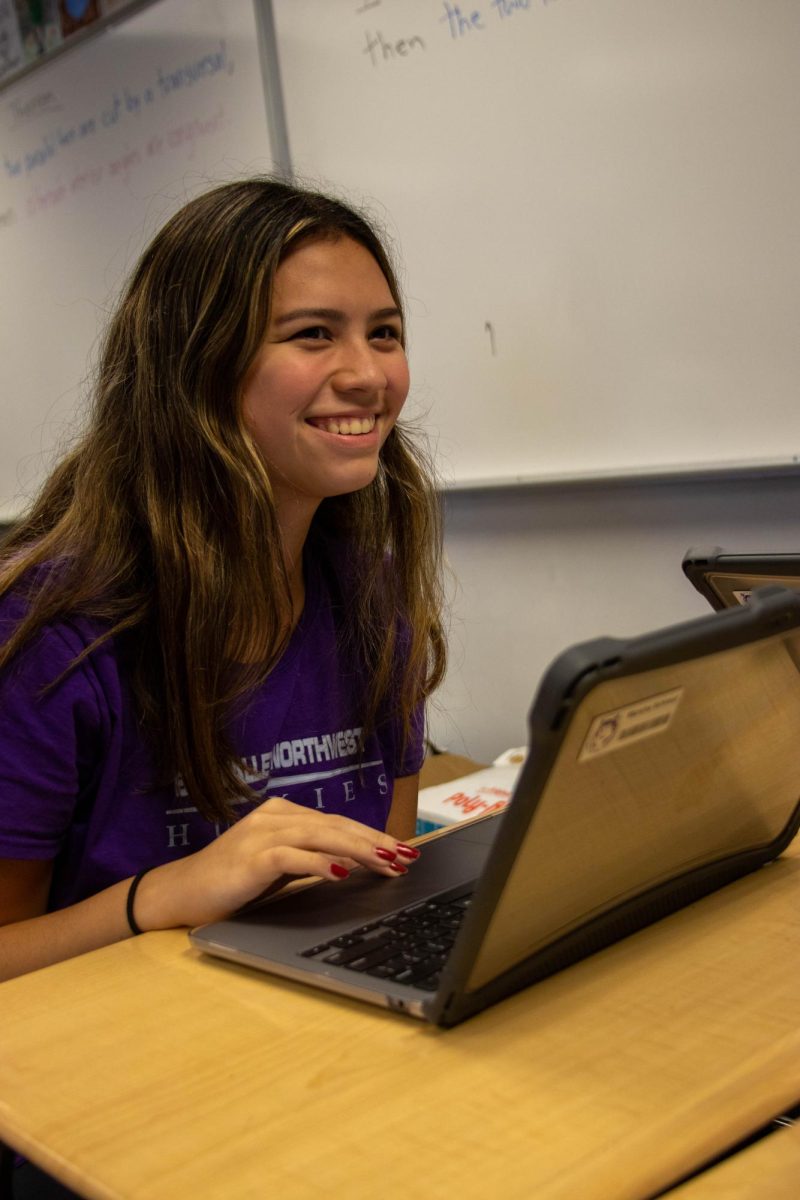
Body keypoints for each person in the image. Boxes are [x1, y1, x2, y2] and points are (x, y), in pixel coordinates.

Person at [0, 176, 446, 986]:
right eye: (313, 334)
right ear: (197, 366)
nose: (367, 374)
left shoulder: (372, 598)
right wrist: (162, 895)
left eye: (384, 333)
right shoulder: (49, 633)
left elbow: (381, 882)